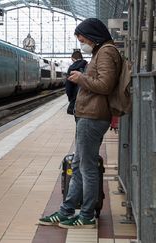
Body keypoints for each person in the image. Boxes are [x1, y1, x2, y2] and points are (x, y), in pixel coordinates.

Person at [38, 18, 122, 229]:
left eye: (82, 38)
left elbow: (105, 84)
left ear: (93, 35)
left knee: (87, 168)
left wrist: (80, 78)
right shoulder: (100, 52)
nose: (81, 42)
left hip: (93, 117)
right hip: (89, 115)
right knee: (78, 165)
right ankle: (66, 211)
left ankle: (86, 215)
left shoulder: (106, 52)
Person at [66, 51, 87, 115]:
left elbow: (68, 87)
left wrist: (70, 99)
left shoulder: (71, 68)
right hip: (87, 98)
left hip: (75, 98)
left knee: (77, 117)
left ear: (72, 58)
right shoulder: (88, 66)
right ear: (81, 57)